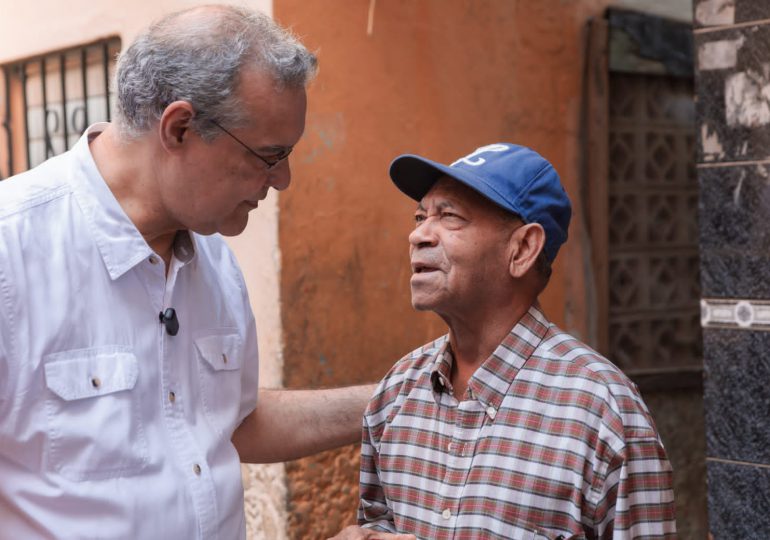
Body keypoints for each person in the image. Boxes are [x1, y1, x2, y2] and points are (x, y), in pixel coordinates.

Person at [0, 5, 373, 538]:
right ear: (179, 128)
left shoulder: (213, 254)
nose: (283, 179)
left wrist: (391, 401)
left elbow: (229, 420)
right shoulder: (11, 249)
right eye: (270, 155)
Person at [334, 144, 676, 539]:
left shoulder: (601, 413)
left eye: (450, 216)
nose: (418, 234)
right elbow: (378, 524)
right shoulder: (396, 392)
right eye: (420, 216)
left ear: (523, 249)